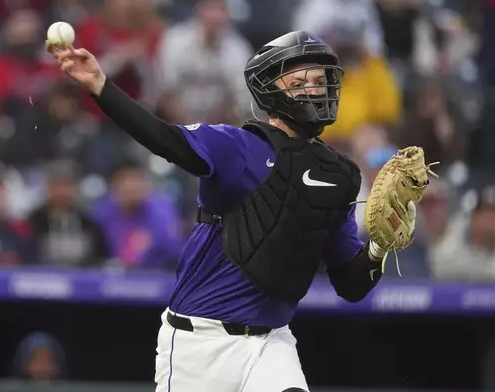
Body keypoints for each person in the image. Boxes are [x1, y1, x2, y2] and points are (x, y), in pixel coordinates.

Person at [47, 30, 411, 392]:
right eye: (301, 80)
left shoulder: (342, 175)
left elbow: (350, 285)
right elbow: (163, 138)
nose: (316, 88)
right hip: (198, 343)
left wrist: (378, 248)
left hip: (271, 343)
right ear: (271, 89)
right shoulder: (234, 146)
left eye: (321, 80)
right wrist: (101, 85)